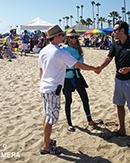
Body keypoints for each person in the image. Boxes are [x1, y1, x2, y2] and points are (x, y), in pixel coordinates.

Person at [38, 25, 100, 155]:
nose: (64, 37)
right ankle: (46, 146)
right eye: (62, 35)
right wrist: (95, 68)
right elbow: (79, 65)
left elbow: (41, 71)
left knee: (46, 115)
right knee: (50, 118)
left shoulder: (44, 50)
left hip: (44, 87)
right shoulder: (59, 52)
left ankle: (47, 141)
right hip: (53, 88)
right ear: (56, 36)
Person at [98, 21, 130, 147]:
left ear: (122, 31)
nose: (113, 32)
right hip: (118, 80)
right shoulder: (115, 44)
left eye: (115, 30)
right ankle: (122, 129)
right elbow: (108, 58)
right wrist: (99, 67)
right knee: (119, 105)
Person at [61, 29, 100, 132]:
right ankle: (69, 123)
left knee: (85, 98)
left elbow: (81, 65)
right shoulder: (63, 49)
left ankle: (90, 120)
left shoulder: (79, 49)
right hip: (67, 78)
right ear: (67, 38)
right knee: (68, 101)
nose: (73, 39)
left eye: (75, 37)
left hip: (78, 76)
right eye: (71, 37)